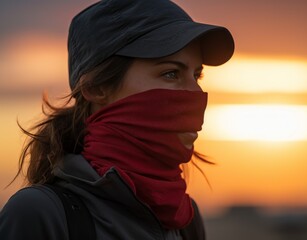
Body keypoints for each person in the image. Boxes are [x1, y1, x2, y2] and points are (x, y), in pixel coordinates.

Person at [0, 0, 234, 239]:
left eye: (197, 75)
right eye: (170, 73)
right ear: (96, 87)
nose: (195, 93)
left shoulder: (186, 220)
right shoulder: (39, 213)